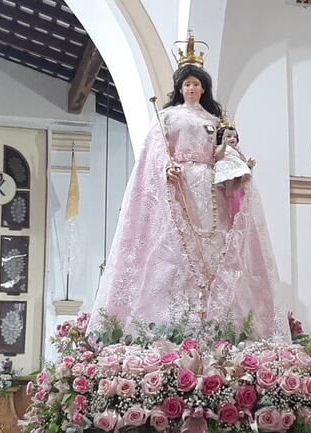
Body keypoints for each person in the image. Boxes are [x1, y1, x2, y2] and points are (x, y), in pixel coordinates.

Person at [88, 58, 286, 340]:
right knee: (175, 243)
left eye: (196, 84)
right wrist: (164, 167)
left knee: (214, 244)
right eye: (187, 84)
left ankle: (220, 316)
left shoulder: (213, 120)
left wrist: (240, 162)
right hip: (180, 183)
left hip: (209, 186)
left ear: (203, 89)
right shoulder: (168, 117)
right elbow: (156, 149)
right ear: (180, 89)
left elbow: (223, 149)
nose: (191, 88)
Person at [213, 125, 255, 218]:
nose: (233, 138)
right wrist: (223, 145)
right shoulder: (222, 148)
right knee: (229, 176)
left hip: (235, 177)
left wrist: (248, 165)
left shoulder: (237, 152)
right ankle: (229, 189)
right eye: (228, 136)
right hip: (226, 168)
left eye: (235, 137)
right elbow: (218, 156)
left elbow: (241, 165)